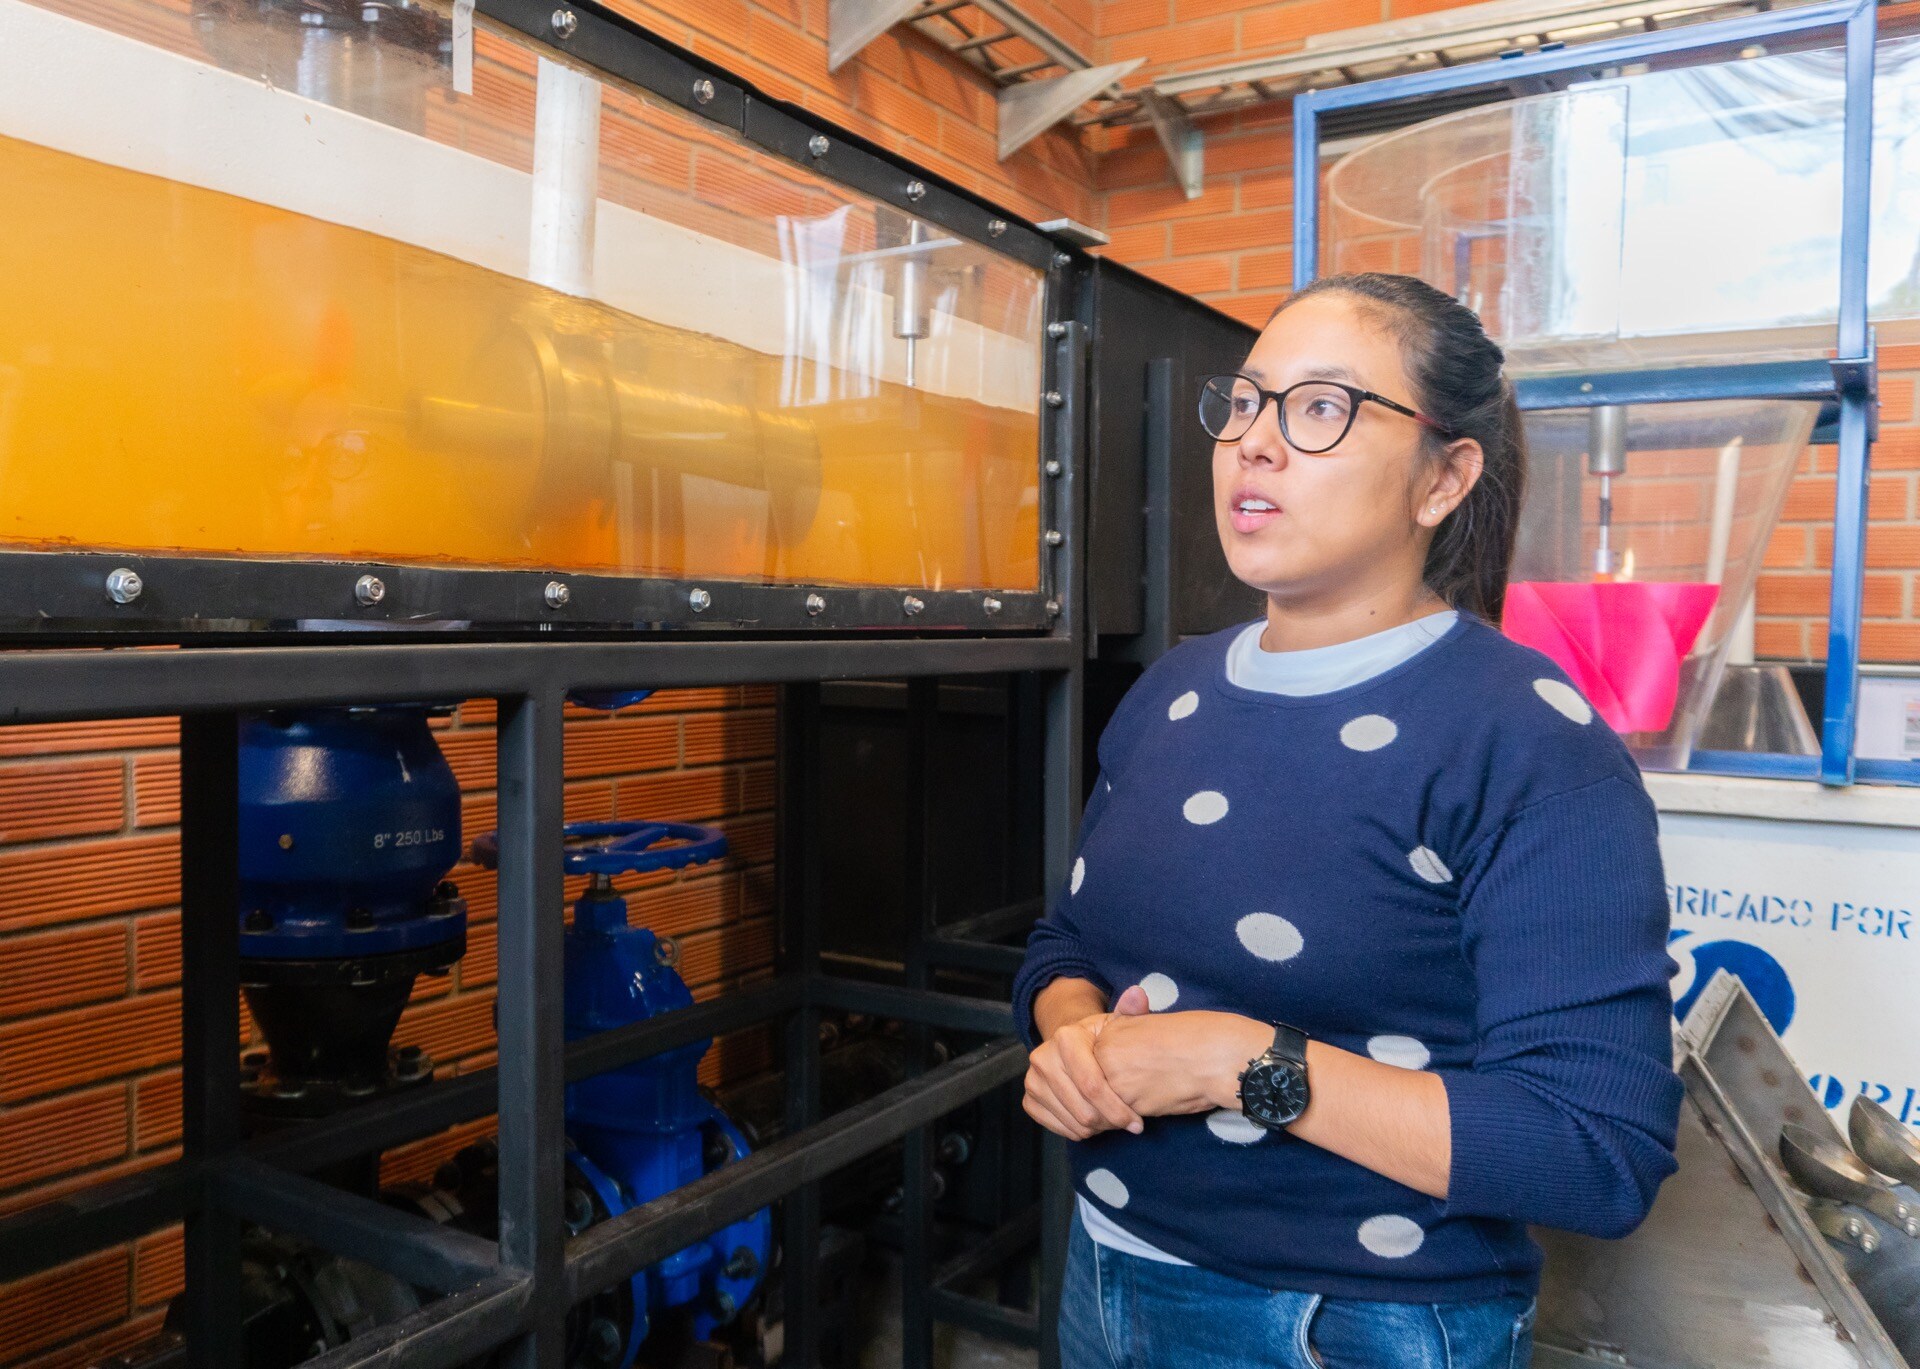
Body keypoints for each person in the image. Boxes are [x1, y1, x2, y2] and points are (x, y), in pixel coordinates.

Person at [1012, 272, 1682, 1369]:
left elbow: (1591, 1150)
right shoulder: (1169, 693)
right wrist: (1073, 1034)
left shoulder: (1526, 742)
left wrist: (1237, 1062)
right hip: (1102, 1271)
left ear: (1444, 476)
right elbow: (1067, 945)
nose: (1253, 445)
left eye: (1321, 408)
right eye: (1243, 402)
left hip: (1350, 1325)